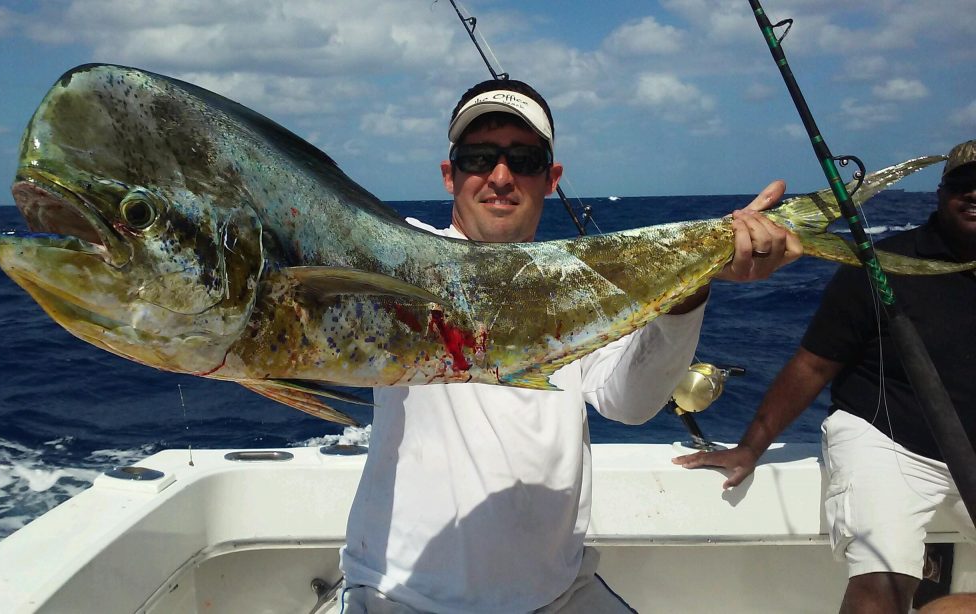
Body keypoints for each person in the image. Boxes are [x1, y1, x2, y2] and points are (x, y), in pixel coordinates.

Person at [338, 78, 800, 613]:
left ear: (551, 179)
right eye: (479, 157)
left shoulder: (577, 287)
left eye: (525, 159)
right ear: (450, 176)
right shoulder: (396, 258)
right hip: (402, 596)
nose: (501, 176)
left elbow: (628, 403)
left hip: (558, 594)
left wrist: (689, 287)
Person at [674, 139, 976, 614]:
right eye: (964, 182)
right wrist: (751, 447)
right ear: (941, 191)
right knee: (879, 590)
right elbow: (813, 364)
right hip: (889, 442)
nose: (975, 193)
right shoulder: (879, 266)